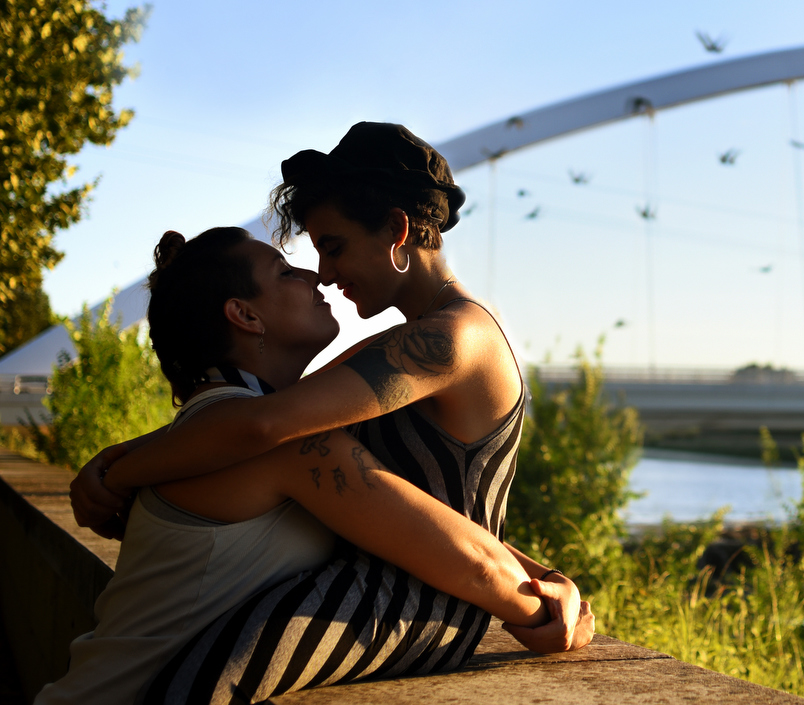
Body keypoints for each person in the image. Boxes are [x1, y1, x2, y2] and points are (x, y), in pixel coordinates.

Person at [70, 124, 592, 703]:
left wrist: (115, 472)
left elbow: (264, 426)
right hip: (426, 580)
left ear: (396, 232)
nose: (322, 270)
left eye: (333, 245)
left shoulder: (453, 339)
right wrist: (540, 577)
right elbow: (269, 422)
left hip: (424, 598)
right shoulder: (402, 345)